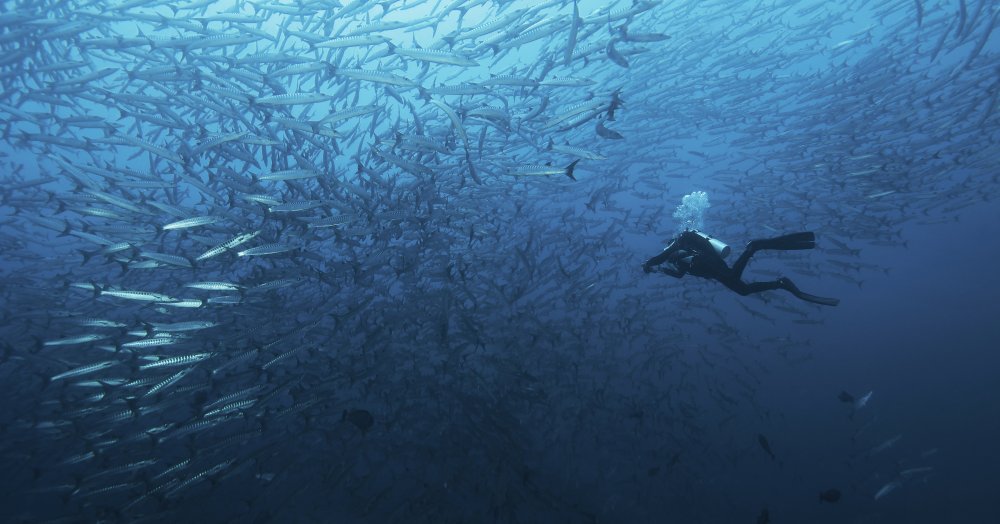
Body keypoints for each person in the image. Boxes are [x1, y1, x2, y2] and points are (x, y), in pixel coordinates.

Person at [642, 230, 839, 306]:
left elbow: (661, 256)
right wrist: (660, 271)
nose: (669, 257)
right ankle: (780, 283)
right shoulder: (678, 262)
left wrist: (648, 264)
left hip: (708, 263)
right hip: (712, 271)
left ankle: (753, 247)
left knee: (736, 277)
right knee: (743, 290)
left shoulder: (679, 244)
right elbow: (678, 276)